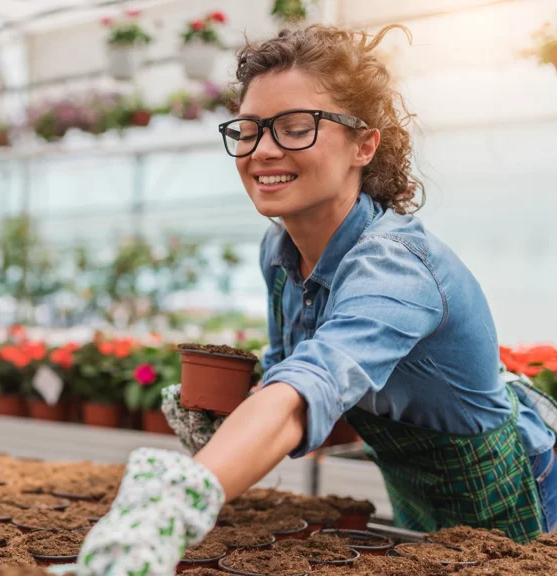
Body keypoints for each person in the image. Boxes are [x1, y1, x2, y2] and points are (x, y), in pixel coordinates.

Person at [75, 24, 557, 575]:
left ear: (364, 144)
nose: (263, 150)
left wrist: (179, 496)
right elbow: (295, 383)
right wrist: (228, 420)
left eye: (296, 128)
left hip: (508, 491)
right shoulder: (280, 251)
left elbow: (311, 388)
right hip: (414, 486)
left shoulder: (395, 266)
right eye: (249, 130)